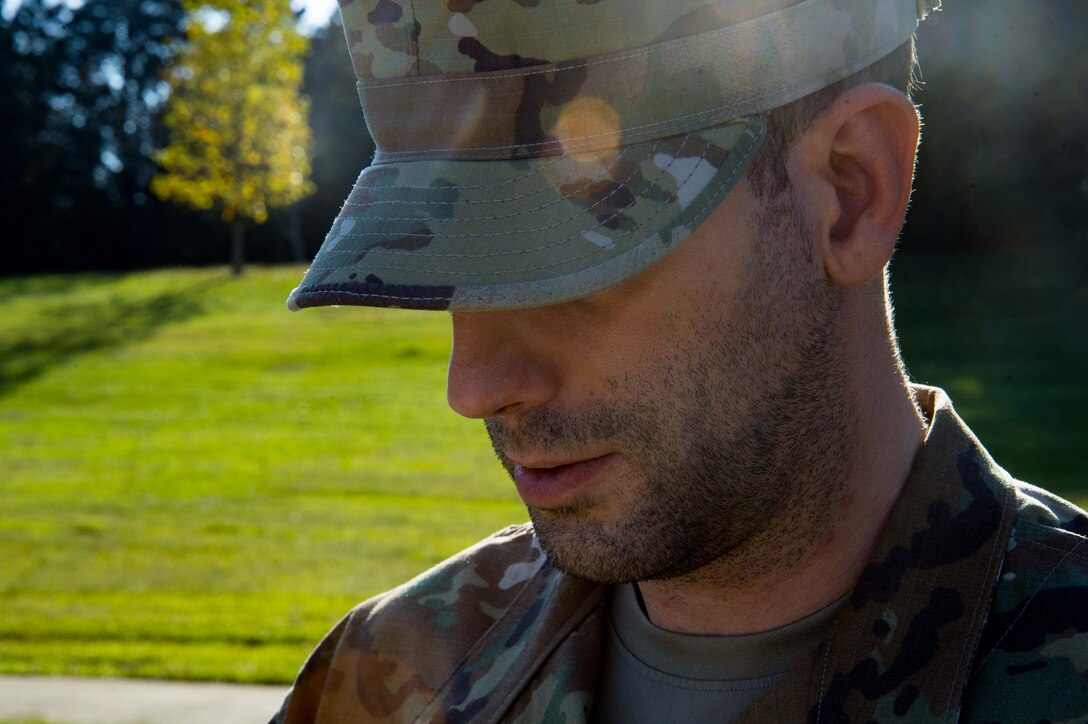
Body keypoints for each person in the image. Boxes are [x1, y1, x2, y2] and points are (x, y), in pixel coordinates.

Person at [272, 0, 1088, 720]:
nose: (474, 387)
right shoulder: (385, 676)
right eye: (450, 264)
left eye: (568, 260)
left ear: (851, 189)